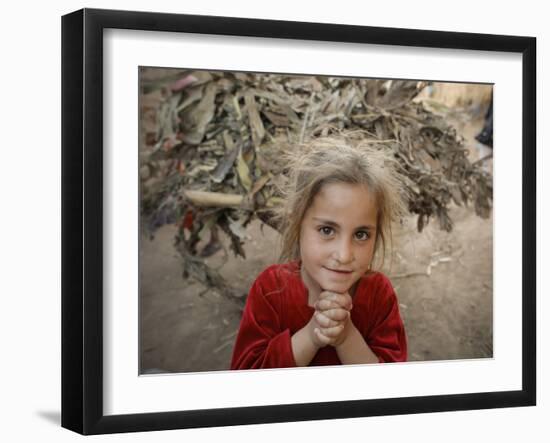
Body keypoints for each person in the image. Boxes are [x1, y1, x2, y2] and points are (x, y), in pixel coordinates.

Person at [230, 135, 408, 369]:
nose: (344, 255)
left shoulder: (379, 296)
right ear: (297, 223)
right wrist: (312, 335)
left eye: (361, 234)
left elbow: (391, 390)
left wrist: (346, 337)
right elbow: (246, 383)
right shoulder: (270, 289)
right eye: (326, 230)